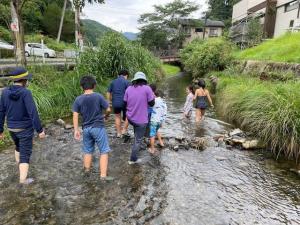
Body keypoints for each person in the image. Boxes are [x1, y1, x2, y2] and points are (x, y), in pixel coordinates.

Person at [0, 67, 46, 184]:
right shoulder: (26, 93)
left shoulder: (5, 92)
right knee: (25, 154)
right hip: (24, 129)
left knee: (18, 146)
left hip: (11, 128)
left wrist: (0, 130)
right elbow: (32, 112)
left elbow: (1, 111)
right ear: (24, 80)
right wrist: (40, 130)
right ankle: (23, 181)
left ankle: (19, 167)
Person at [73, 75, 113, 180]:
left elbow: (75, 114)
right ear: (94, 85)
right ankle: (103, 176)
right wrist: (106, 116)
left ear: (81, 87)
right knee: (104, 151)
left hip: (86, 128)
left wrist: (76, 129)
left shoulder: (78, 99)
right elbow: (108, 109)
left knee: (87, 150)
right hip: (98, 127)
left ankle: (86, 171)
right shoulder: (98, 96)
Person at [124, 72, 155, 164]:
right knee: (137, 140)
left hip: (130, 117)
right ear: (144, 80)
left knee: (137, 133)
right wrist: (151, 97)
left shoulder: (129, 89)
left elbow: (125, 102)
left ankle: (139, 145)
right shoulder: (147, 88)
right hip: (141, 120)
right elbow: (151, 104)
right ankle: (133, 159)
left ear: (135, 80)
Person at [107, 70, 130, 138]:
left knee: (117, 116)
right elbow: (130, 92)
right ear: (126, 75)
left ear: (119, 75)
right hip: (125, 102)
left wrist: (109, 101)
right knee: (128, 116)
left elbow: (108, 92)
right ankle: (124, 130)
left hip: (115, 102)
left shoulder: (113, 82)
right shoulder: (127, 82)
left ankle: (118, 133)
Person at [149, 89, 167, 154]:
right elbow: (165, 112)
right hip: (160, 121)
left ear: (154, 94)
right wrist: (163, 122)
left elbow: (149, 108)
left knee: (152, 135)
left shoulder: (154, 101)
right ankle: (161, 143)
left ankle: (152, 149)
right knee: (157, 131)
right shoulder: (164, 102)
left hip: (154, 120)